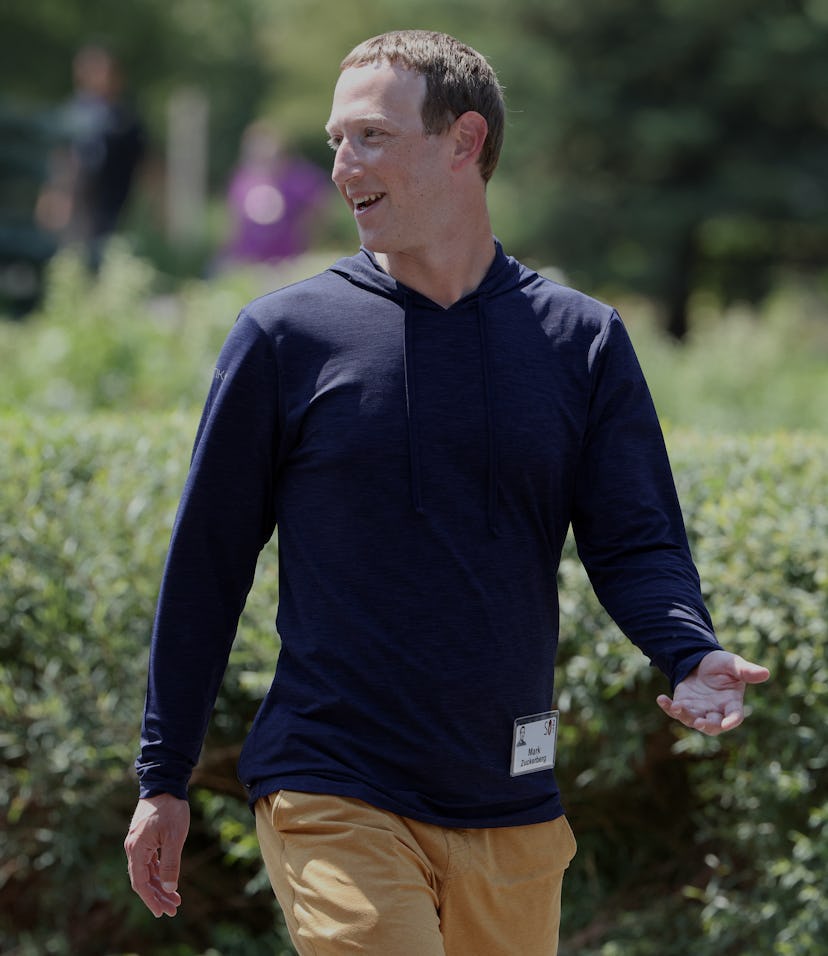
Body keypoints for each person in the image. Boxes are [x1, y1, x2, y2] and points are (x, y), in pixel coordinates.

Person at [125, 30, 769, 955]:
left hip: (512, 803)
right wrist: (163, 776)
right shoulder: (284, 338)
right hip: (332, 783)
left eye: (372, 136)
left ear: (465, 141)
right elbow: (207, 567)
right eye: (337, 139)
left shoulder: (581, 342)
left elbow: (636, 540)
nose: (343, 164)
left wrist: (689, 650)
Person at [36, 44, 145, 271]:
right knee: (73, 254)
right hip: (78, 196)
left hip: (114, 198)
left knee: (108, 253)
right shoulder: (72, 113)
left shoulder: (126, 119)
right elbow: (61, 158)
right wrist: (55, 194)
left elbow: (145, 159)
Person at [214, 119, 330, 269]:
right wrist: (226, 252)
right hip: (248, 263)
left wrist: (308, 243)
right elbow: (232, 221)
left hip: (287, 263)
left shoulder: (298, 178)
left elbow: (319, 210)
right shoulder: (242, 180)